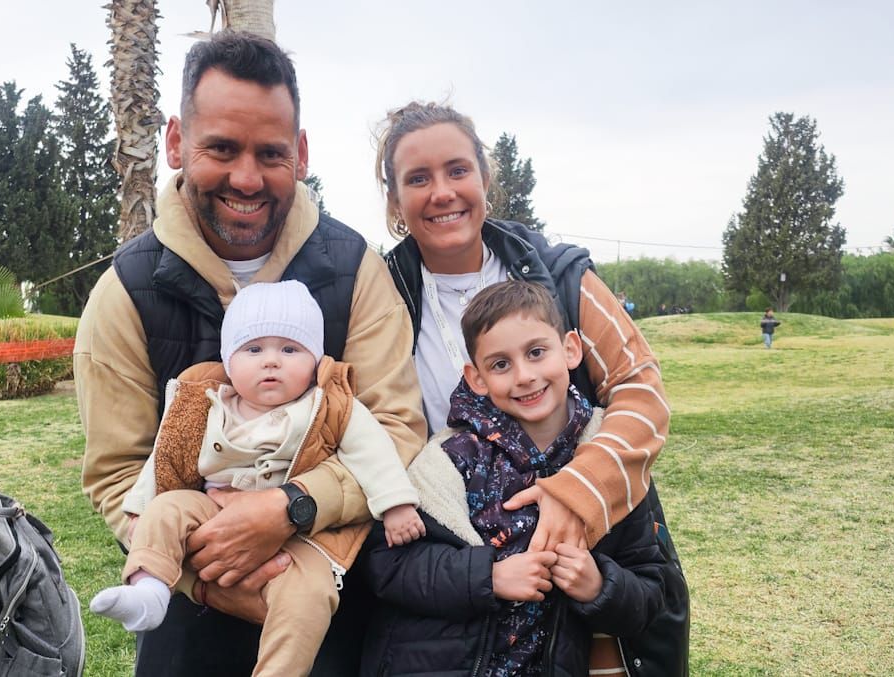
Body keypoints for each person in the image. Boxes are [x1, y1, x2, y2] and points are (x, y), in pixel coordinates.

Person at [74, 33, 426, 675]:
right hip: (189, 619)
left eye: (270, 154)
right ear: (177, 142)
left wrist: (293, 506)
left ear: (301, 153)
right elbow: (118, 473)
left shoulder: (355, 270)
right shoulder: (124, 293)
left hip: (334, 606)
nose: (246, 177)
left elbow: (397, 428)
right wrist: (208, 577)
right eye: (222, 148)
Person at [376, 101, 689, 673]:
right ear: (395, 201)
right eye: (417, 179)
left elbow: (642, 393)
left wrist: (578, 492)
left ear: (485, 179)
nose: (442, 191)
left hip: (579, 588)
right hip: (446, 602)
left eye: (457, 170)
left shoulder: (560, 273)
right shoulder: (377, 293)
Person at [90, 281, 423, 676]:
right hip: (211, 508)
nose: (271, 361)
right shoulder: (206, 400)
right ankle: (148, 591)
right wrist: (139, 510)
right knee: (165, 509)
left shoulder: (328, 405)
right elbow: (164, 456)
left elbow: (374, 452)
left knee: (311, 595)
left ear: (316, 360)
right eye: (253, 349)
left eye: (289, 349)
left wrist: (397, 504)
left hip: (300, 537)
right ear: (229, 361)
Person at [362, 281, 674, 674]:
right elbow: (389, 565)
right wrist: (487, 578)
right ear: (476, 378)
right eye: (500, 364)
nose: (524, 376)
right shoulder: (450, 460)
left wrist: (598, 585)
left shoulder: (608, 460)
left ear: (571, 349)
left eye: (537, 352)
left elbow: (650, 590)